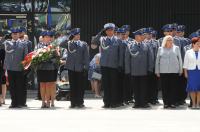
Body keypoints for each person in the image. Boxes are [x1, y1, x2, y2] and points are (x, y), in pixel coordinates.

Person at [93, 23, 121, 108]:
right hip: (104, 65)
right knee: (106, 84)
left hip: (114, 65)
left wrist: (119, 64)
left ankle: (114, 102)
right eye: (107, 30)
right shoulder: (102, 39)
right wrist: (100, 32)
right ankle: (106, 102)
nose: (109, 31)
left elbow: (120, 53)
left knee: (114, 84)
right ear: (105, 31)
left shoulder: (118, 40)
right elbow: (93, 44)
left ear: (113, 30)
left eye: (111, 30)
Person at [60, 28, 89, 108]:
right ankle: (73, 102)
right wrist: (68, 38)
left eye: (79, 34)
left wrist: (86, 67)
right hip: (71, 67)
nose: (78, 36)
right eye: (76, 35)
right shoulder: (69, 43)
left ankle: (80, 102)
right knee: (73, 86)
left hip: (80, 67)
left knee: (80, 86)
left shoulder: (83, 44)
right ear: (73, 35)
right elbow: (61, 44)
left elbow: (86, 57)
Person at [125, 29, 153, 108]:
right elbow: (127, 59)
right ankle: (137, 102)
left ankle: (144, 102)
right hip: (134, 71)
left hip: (144, 71)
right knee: (135, 87)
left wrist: (150, 69)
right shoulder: (130, 45)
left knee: (144, 87)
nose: (143, 37)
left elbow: (150, 58)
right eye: (141, 35)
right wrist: (128, 70)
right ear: (137, 36)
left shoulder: (147, 45)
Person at [0, 28, 28, 108]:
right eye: (13, 34)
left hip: (19, 68)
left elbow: (25, 56)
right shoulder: (7, 43)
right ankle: (13, 102)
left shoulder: (23, 44)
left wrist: (25, 66)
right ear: (11, 35)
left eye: (16, 34)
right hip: (10, 68)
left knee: (19, 86)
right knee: (12, 86)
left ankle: (19, 102)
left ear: (19, 35)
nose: (15, 35)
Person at [155, 35, 182, 109]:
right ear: (165, 41)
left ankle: (173, 103)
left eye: (171, 40)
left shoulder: (176, 48)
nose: (170, 41)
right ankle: (166, 103)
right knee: (165, 88)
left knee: (173, 88)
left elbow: (180, 59)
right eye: (168, 40)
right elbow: (157, 60)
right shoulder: (160, 49)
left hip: (174, 71)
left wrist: (180, 69)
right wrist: (157, 71)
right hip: (163, 71)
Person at [36, 30, 59, 108]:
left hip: (50, 68)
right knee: (42, 85)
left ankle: (48, 101)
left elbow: (57, 58)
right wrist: (40, 59)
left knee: (49, 85)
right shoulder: (38, 46)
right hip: (41, 68)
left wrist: (50, 60)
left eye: (49, 37)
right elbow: (35, 56)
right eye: (46, 37)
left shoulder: (53, 46)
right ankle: (43, 102)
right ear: (42, 38)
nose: (48, 38)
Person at [183, 37, 200, 109]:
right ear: (193, 44)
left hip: (199, 72)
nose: (199, 44)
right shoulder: (188, 52)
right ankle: (193, 103)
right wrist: (186, 73)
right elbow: (185, 64)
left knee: (199, 89)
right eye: (197, 43)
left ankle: (198, 104)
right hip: (191, 72)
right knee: (192, 89)